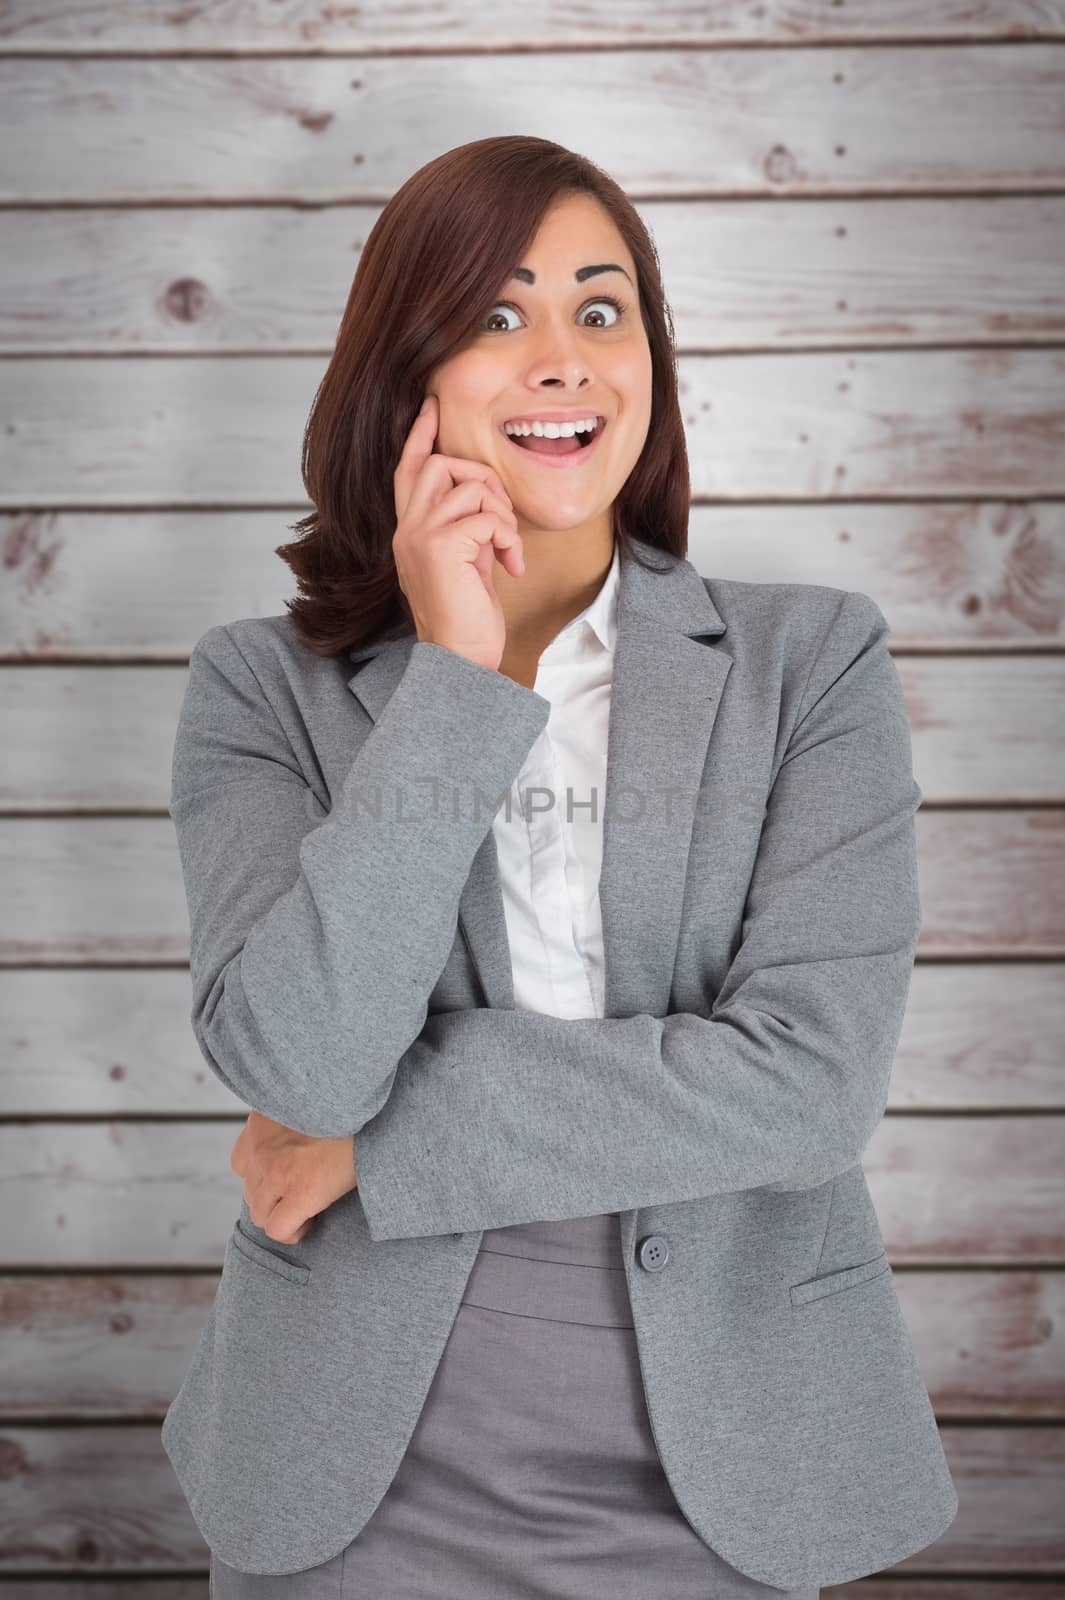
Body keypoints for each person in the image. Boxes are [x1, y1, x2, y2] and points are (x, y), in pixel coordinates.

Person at [162, 136, 959, 1597]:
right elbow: (302, 1063)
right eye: (492, 314)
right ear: (405, 376)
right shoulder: (258, 691)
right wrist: (458, 679)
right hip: (350, 1471)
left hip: (732, 1460)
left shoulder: (808, 665)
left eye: (601, 311)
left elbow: (807, 1085)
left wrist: (380, 1146)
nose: (561, 361)